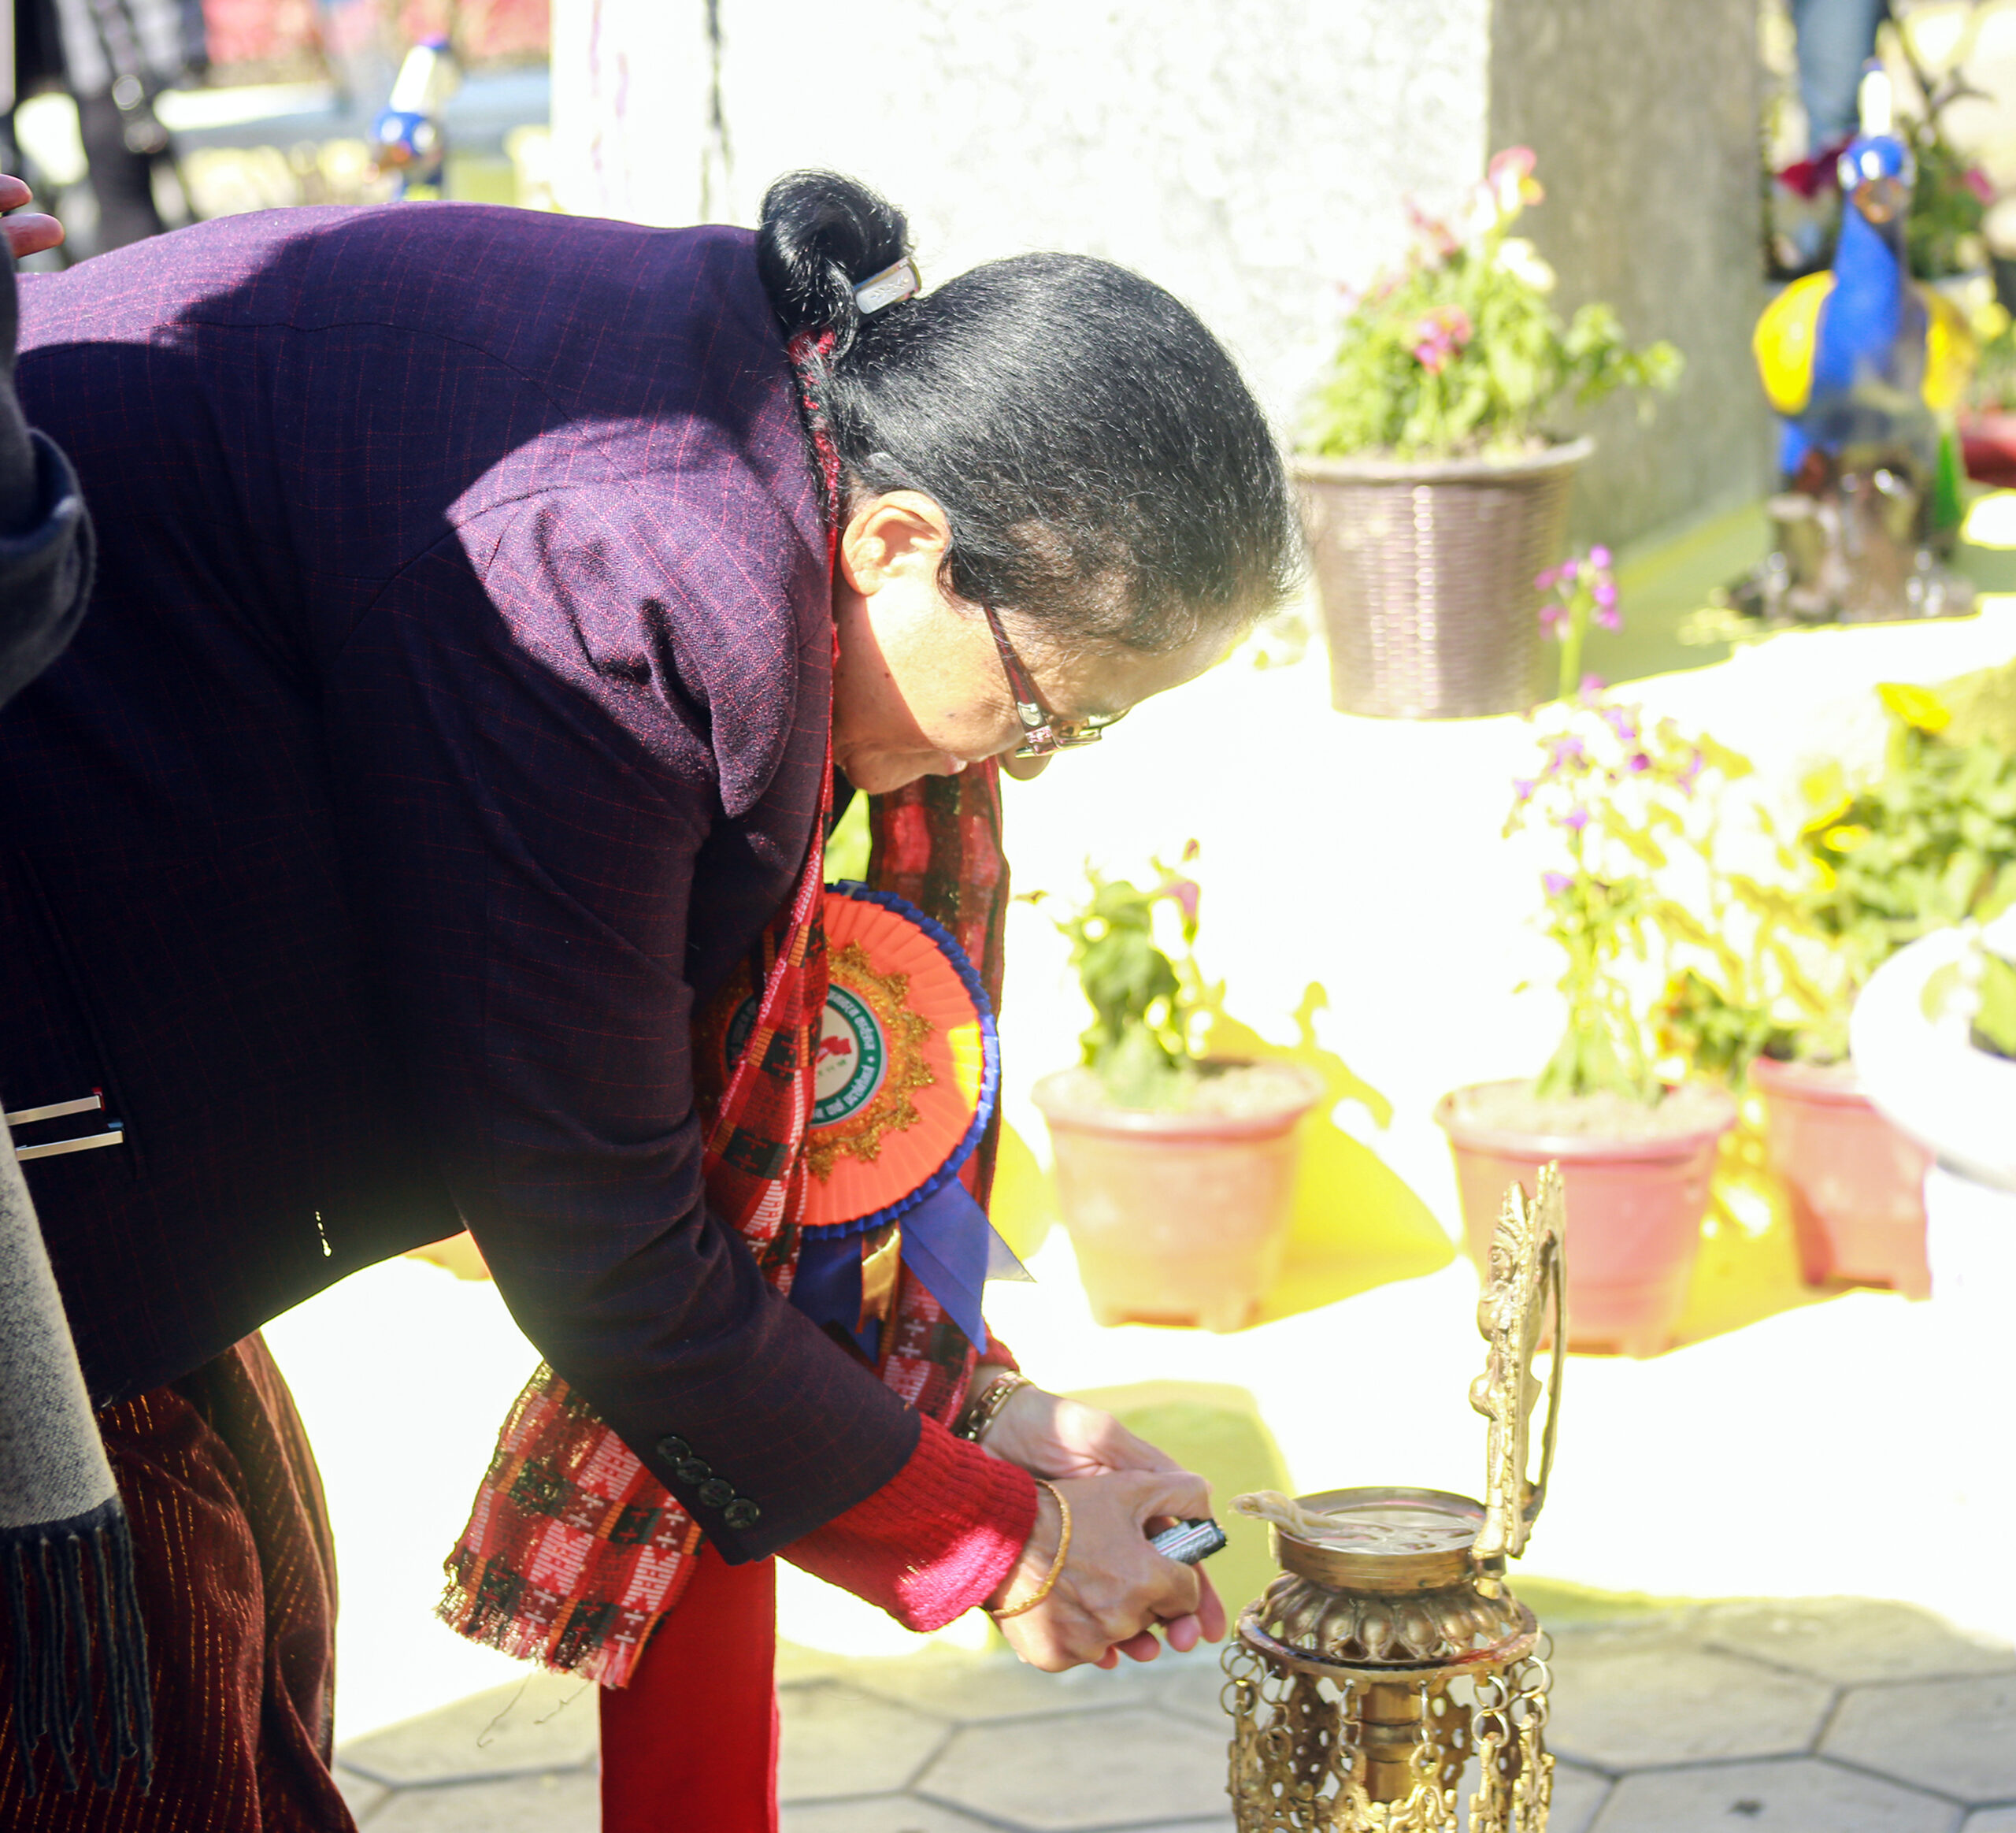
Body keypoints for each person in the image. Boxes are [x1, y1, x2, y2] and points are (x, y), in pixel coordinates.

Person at [0, 168, 1301, 1828]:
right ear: (900, 544)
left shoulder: (797, 437)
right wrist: (994, 1540)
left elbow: (675, 1155)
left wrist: (977, 1414)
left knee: (249, 1637)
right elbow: (598, 1235)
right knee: (133, 1707)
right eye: (1045, 714)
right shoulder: (637, 588)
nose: (1007, 770)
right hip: (48, 995)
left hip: (129, 1021)